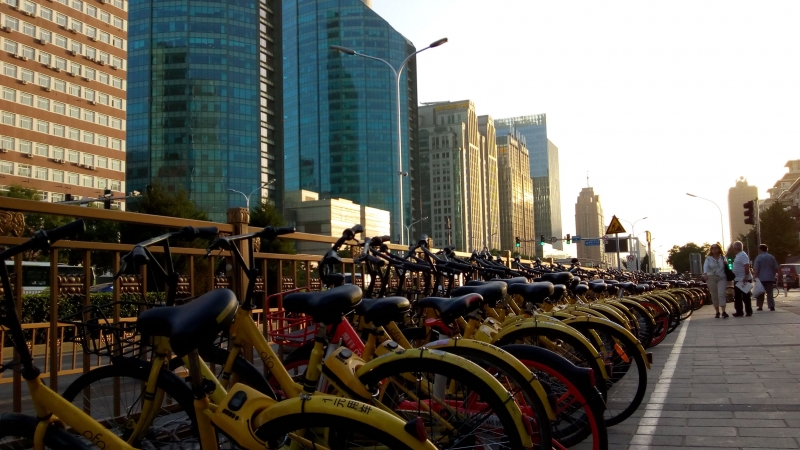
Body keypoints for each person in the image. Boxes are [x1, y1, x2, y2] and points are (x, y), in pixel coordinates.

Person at [702, 243, 728, 318]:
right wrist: (705, 274)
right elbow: (705, 266)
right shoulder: (708, 258)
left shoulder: (723, 257)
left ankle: (723, 311)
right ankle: (717, 311)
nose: (714, 249)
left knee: (721, 294)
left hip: (722, 277)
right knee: (714, 294)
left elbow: (727, 266)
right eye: (712, 248)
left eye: (716, 247)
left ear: (719, 249)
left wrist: (726, 263)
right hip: (711, 278)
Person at [753, 244, 780, 311]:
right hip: (770, 278)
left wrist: (754, 276)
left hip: (761, 278)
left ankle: (760, 306)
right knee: (770, 292)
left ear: (761, 249)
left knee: (760, 292)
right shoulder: (771, 257)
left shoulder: (758, 257)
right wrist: (773, 275)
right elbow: (776, 268)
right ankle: (771, 306)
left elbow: (756, 269)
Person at [731, 241, 753, 317]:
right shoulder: (739, 255)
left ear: (735, 248)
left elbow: (747, 266)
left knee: (745, 296)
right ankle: (739, 311)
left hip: (743, 279)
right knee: (738, 296)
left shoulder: (742, 255)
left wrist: (746, 276)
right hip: (739, 279)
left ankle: (748, 311)